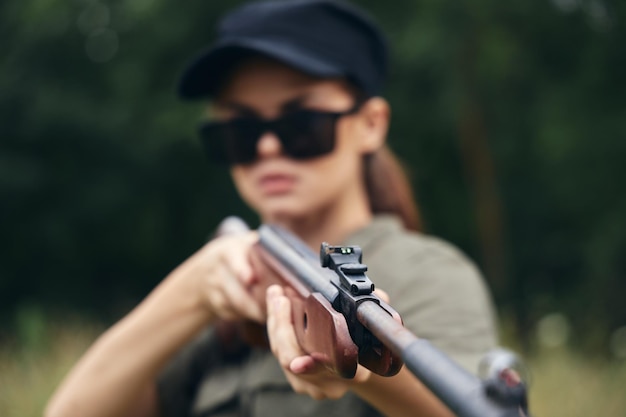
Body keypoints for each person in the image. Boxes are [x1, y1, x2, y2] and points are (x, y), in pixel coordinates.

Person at [45, 1, 498, 416]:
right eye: (240, 131)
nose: (266, 146)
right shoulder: (224, 293)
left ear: (370, 125)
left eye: (301, 124)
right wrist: (191, 291)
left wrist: (361, 369)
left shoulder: (427, 274)